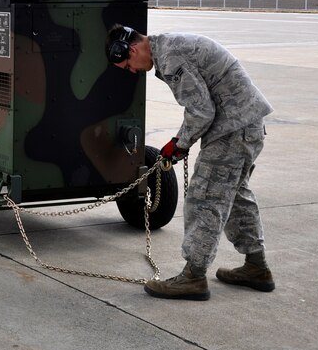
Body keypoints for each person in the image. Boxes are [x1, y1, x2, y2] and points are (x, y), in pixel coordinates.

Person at [105, 24, 275, 301]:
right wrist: (181, 143)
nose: (132, 71)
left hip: (233, 130)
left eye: (128, 65)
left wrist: (178, 144)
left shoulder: (171, 57)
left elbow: (201, 112)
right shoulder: (168, 48)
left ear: (132, 49)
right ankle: (256, 267)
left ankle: (193, 277)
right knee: (236, 197)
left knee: (204, 198)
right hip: (244, 126)